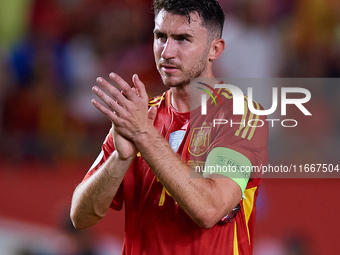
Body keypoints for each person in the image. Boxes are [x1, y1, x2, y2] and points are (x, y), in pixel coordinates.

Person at [70, 0, 268, 254]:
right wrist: (120, 158)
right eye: (160, 36)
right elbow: (81, 217)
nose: (166, 52)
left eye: (183, 39)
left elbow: (209, 209)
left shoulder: (241, 115)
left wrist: (144, 136)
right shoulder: (140, 116)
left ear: (214, 49)